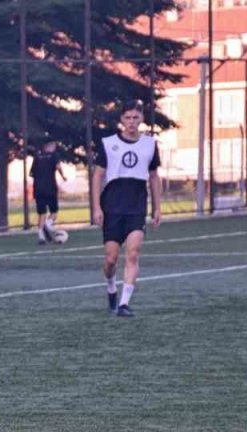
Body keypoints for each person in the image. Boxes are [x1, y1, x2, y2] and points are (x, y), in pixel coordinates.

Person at [91, 100, 162, 318]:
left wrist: (157, 208)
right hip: (112, 205)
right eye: (128, 118)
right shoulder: (108, 143)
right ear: (121, 120)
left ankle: (124, 304)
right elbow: (98, 175)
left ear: (142, 119)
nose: (132, 122)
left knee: (132, 253)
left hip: (136, 205)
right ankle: (111, 287)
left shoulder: (150, 144)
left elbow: (153, 177)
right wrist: (96, 207)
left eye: (136, 118)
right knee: (111, 258)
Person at [30, 139, 67, 244]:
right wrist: (63, 176)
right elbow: (58, 167)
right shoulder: (54, 155)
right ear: (50, 145)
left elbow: (32, 174)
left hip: (38, 188)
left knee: (41, 213)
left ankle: (41, 236)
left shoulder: (37, 157)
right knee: (54, 211)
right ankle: (48, 224)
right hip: (50, 188)